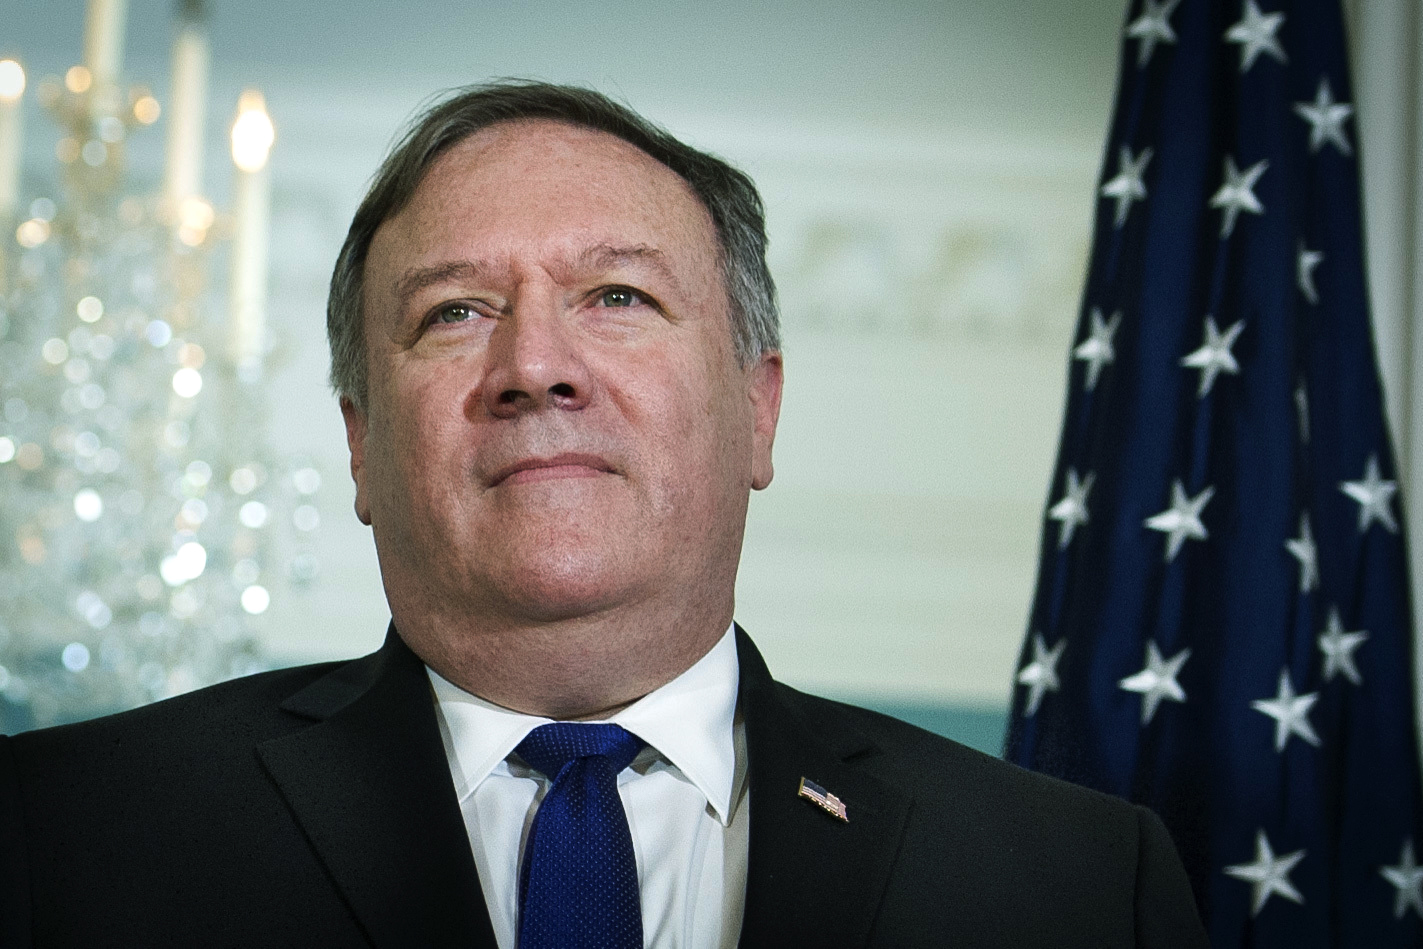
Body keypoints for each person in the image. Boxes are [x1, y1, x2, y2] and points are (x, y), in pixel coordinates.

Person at [0, 80, 1208, 948]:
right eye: (455, 312)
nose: (537, 364)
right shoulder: (55, 838)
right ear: (361, 446)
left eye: (617, 294)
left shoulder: (1081, 884)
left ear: (757, 408)